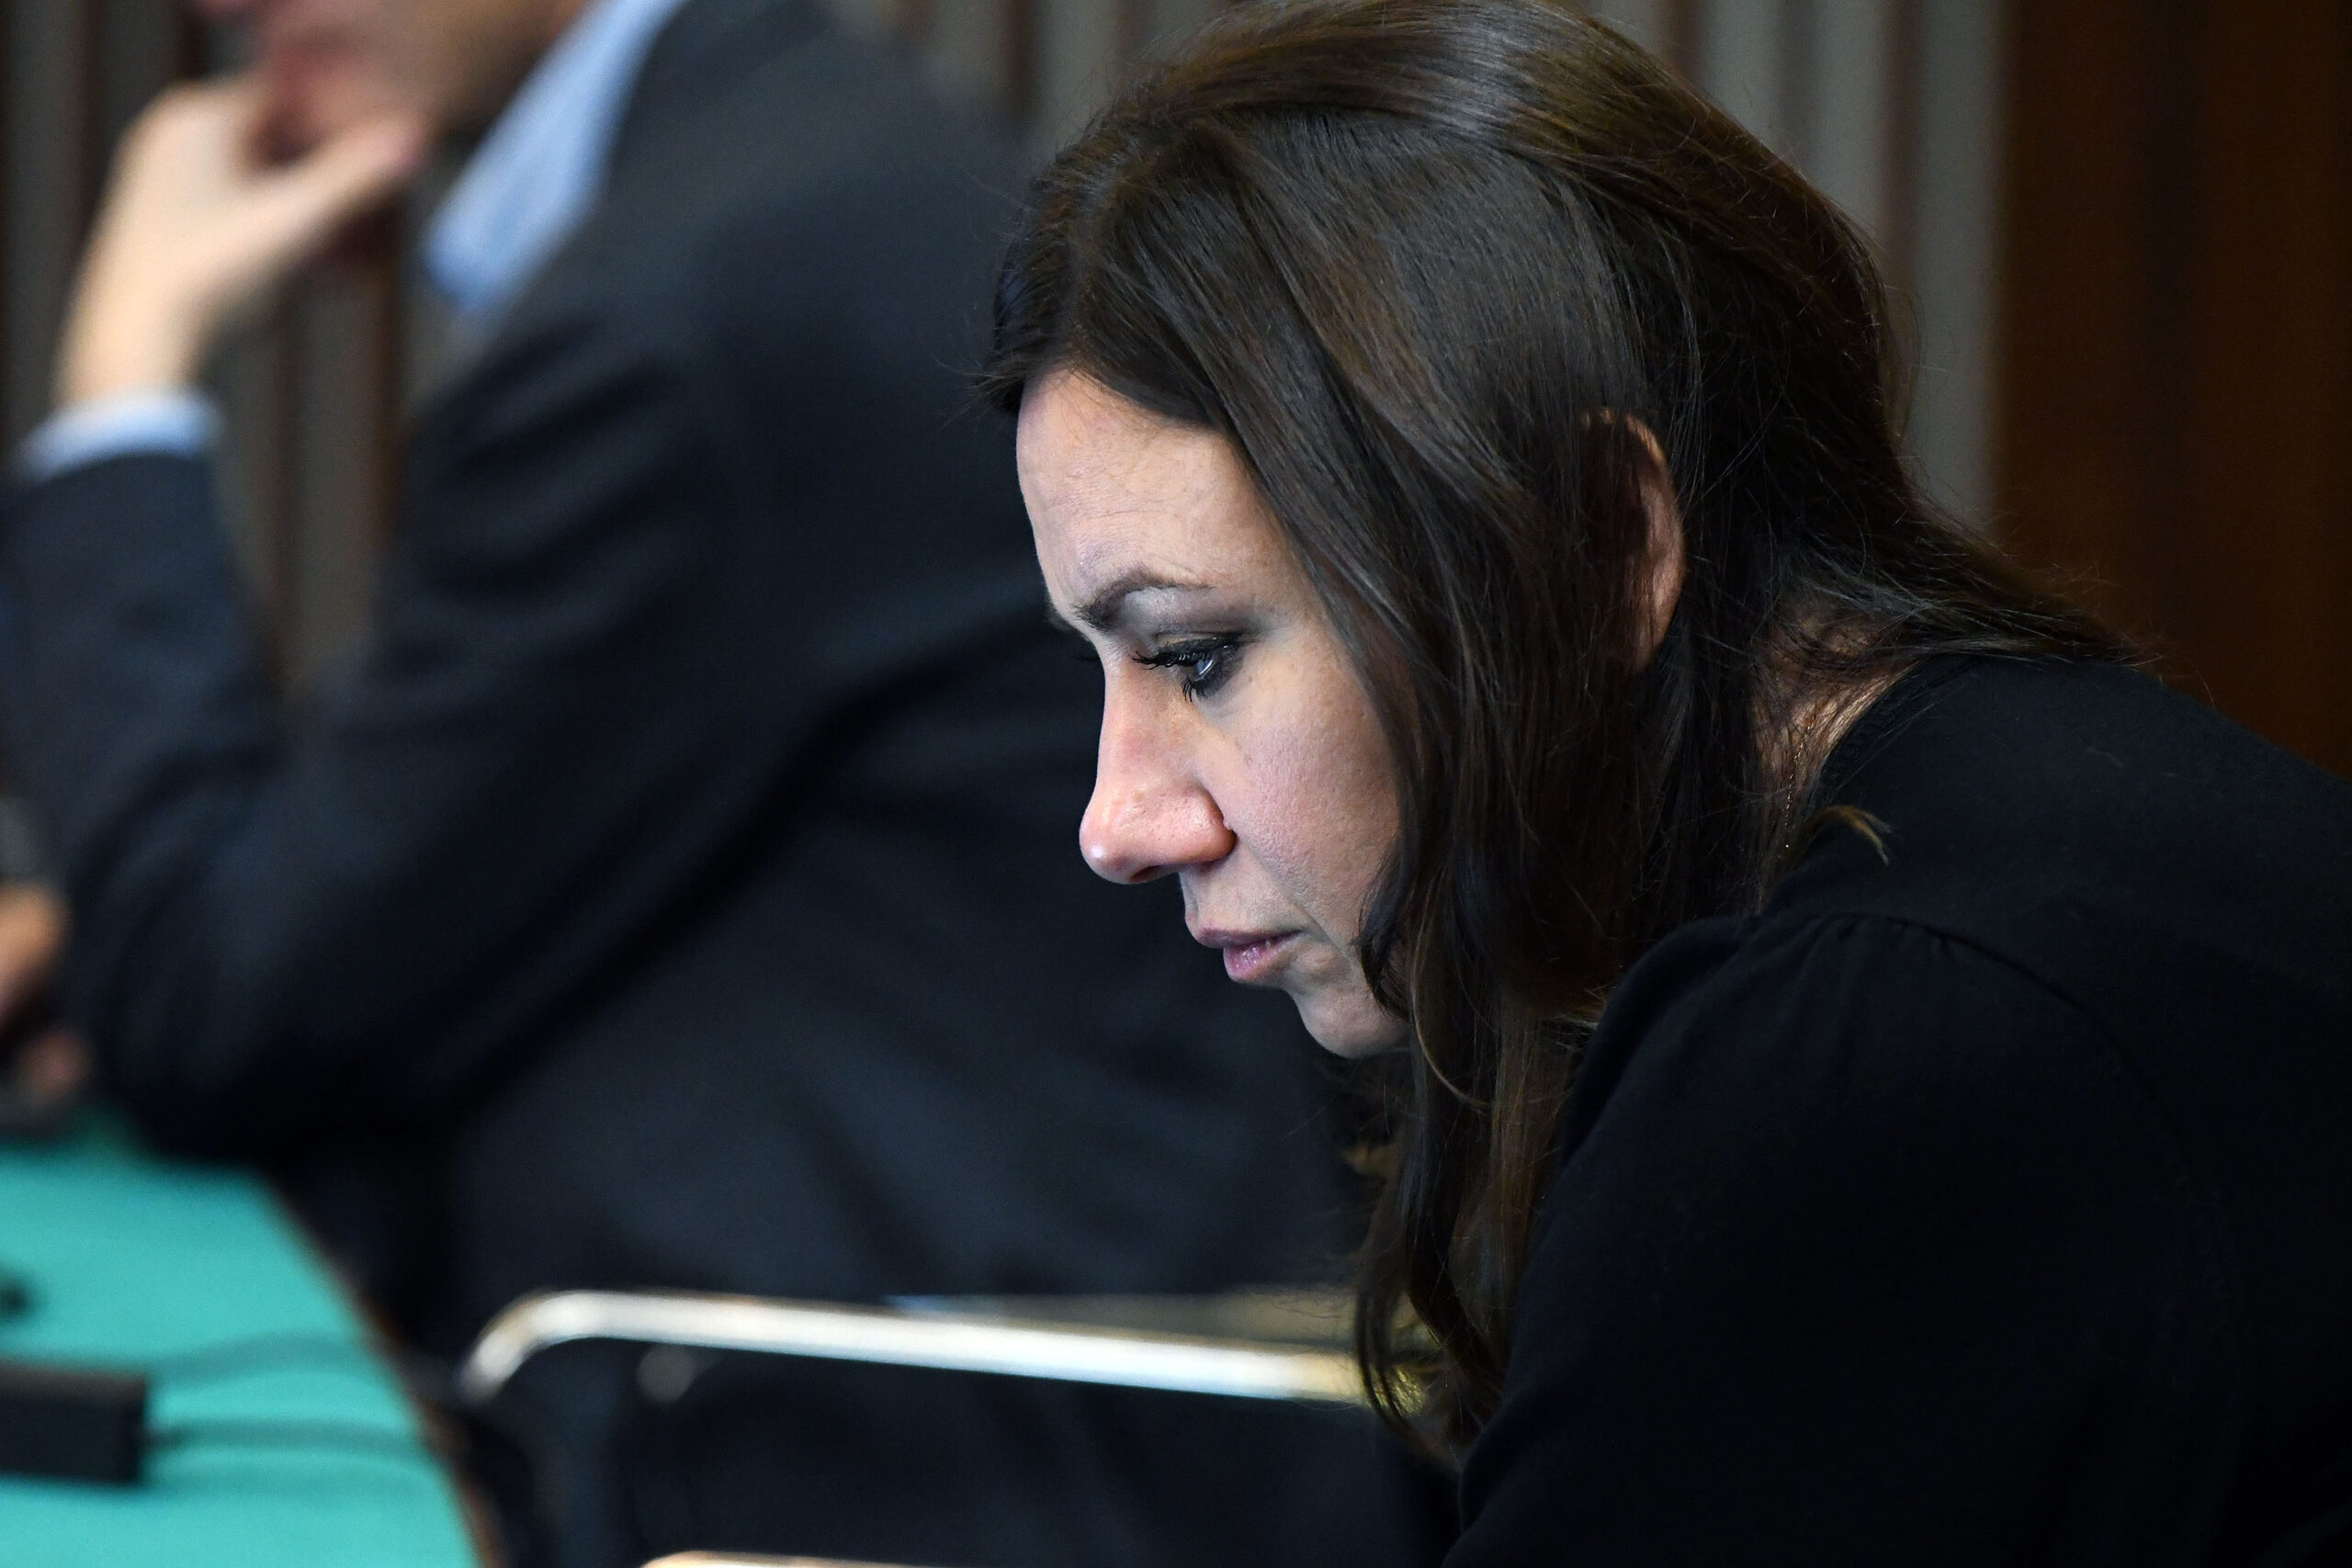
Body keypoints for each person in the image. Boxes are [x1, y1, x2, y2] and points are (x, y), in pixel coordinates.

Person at [0, 2, 1447, 1564]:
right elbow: (452, 834)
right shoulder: (779, 171)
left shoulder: (694, 298)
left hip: (911, 1461)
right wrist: (108, 946)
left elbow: (214, 1002)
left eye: (1194, 656)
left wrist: (123, 372)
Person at [989, 1, 2352, 1562]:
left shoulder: (1873, 1047)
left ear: (1597, 548)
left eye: (1197, 653)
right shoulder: (2057, 833)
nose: (1116, 823)